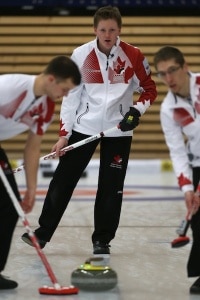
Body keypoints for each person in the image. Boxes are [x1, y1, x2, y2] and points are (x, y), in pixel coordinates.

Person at [22, 6, 157, 259]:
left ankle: (102, 240)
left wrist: (136, 112)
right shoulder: (80, 55)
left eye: (112, 30)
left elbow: (149, 89)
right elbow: (71, 97)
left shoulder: (134, 55)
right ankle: (43, 233)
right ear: (95, 30)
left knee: (111, 186)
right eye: (103, 29)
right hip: (84, 128)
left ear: (120, 30)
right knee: (63, 180)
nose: (108, 34)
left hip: (118, 131)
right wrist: (64, 133)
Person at [0, 55, 81, 289]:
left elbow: (32, 148)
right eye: (64, 89)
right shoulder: (10, 87)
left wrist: (31, 190)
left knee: (9, 206)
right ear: (51, 79)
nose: (64, 95)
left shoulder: (45, 106)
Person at [153, 45, 200, 294]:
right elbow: (177, 151)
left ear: (185, 67)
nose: (168, 78)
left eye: (172, 70)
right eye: (162, 73)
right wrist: (187, 188)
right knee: (199, 219)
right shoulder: (168, 110)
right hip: (198, 162)